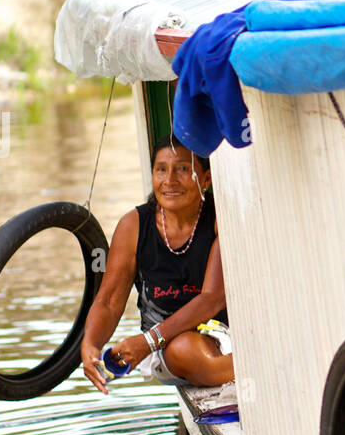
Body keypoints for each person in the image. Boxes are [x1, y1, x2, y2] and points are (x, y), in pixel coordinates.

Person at [80, 134, 234, 393]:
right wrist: (91, 344)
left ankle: (245, 372)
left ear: (206, 179)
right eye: (161, 169)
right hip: (166, 348)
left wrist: (147, 342)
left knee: (189, 346)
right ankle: (254, 372)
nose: (170, 180)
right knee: (183, 348)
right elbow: (108, 300)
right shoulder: (134, 225)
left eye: (183, 169)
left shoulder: (221, 217)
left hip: (221, 334)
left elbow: (212, 299)